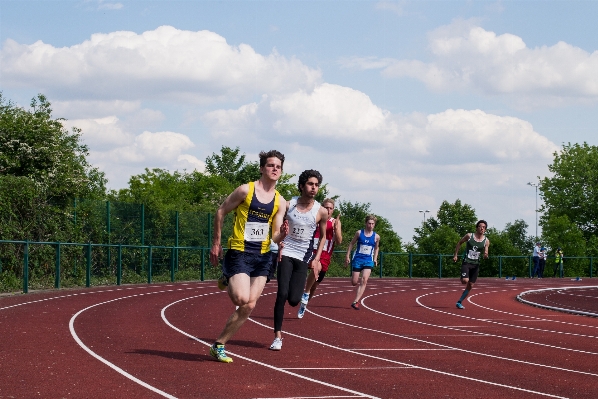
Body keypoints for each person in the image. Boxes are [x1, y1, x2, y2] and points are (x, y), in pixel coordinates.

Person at [209, 150, 287, 363]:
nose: (275, 169)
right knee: (241, 299)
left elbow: (276, 235)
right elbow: (221, 211)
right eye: (271, 165)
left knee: (250, 305)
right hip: (240, 252)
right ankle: (228, 276)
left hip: (263, 256)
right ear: (262, 168)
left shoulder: (280, 201)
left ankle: (219, 345)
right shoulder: (246, 190)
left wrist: (283, 235)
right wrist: (216, 243)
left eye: (278, 166)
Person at [271, 170, 328, 351]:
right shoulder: (289, 205)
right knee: (281, 294)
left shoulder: (321, 211)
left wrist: (317, 258)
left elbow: (324, 237)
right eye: (311, 184)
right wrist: (279, 241)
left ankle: (294, 296)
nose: (314, 188)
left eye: (317, 185)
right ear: (302, 185)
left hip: (303, 257)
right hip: (286, 252)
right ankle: (277, 336)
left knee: (294, 299)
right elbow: (277, 226)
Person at [297, 198, 342, 318]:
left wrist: (336, 229)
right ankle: (304, 293)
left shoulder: (334, 222)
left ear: (333, 210)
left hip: (325, 254)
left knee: (315, 285)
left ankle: (305, 302)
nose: (328, 210)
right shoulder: (316, 218)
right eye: (326, 207)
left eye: (330, 208)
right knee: (312, 268)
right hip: (311, 250)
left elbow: (339, 241)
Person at [452, 220, 490, 309]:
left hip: (476, 264)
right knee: (465, 281)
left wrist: (485, 255)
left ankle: (459, 302)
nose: (482, 228)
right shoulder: (469, 236)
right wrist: (455, 255)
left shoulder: (486, 241)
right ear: (477, 228)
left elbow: (486, 252)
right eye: (480, 226)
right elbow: (459, 243)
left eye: (484, 227)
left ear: (485, 230)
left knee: (471, 285)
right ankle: (462, 276)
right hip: (467, 262)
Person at [345, 215, 380, 310]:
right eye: (369, 223)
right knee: (354, 282)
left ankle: (355, 301)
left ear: (374, 225)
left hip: (368, 261)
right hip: (357, 260)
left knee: (364, 280)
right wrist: (347, 256)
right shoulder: (359, 233)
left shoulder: (376, 236)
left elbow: (376, 248)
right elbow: (351, 243)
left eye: (373, 224)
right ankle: (354, 282)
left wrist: (375, 258)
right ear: (366, 223)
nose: (371, 225)